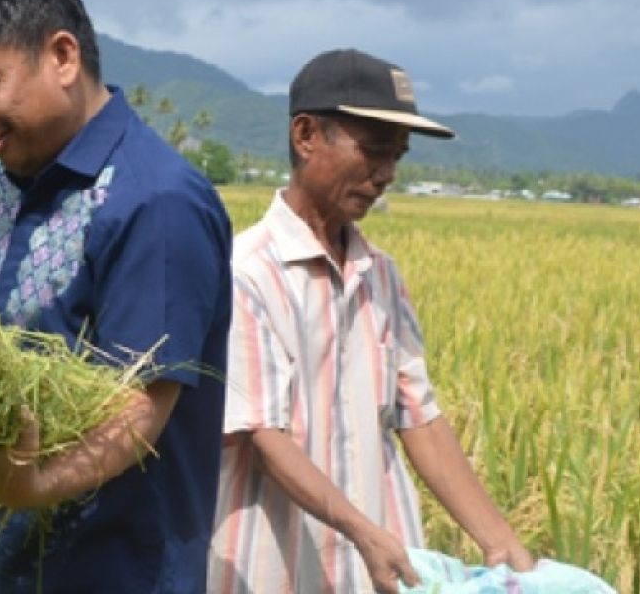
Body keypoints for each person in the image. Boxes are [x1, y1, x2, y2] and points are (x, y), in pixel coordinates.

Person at [0, 0, 233, 594]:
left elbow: (140, 406)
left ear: (62, 57)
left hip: (110, 571)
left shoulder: (156, 200)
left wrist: (29, 485)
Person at [207, 49, 534, 594]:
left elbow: (419, 415)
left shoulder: (381, 274)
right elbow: (265, 432)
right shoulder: (246, 274)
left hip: (378, 569)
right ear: (306, 135)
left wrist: (501, 543)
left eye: (397, 157)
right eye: (373, 152)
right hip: (275, 569)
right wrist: (362, 530)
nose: (385, 175)